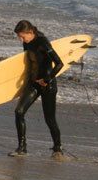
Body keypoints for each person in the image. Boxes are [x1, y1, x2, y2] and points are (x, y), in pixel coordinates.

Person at [10, 20, 64, 158]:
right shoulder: (26, 43)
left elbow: (59, 64)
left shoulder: (43, 43)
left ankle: (57, 148)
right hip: (33, 83)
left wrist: (47, 80)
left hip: (48, 85)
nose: (21, 39)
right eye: (19, 37)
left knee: (49, 119)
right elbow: (27, 63)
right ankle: (22, 148)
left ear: (30, 32)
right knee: (19, 111)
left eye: (22, 36)